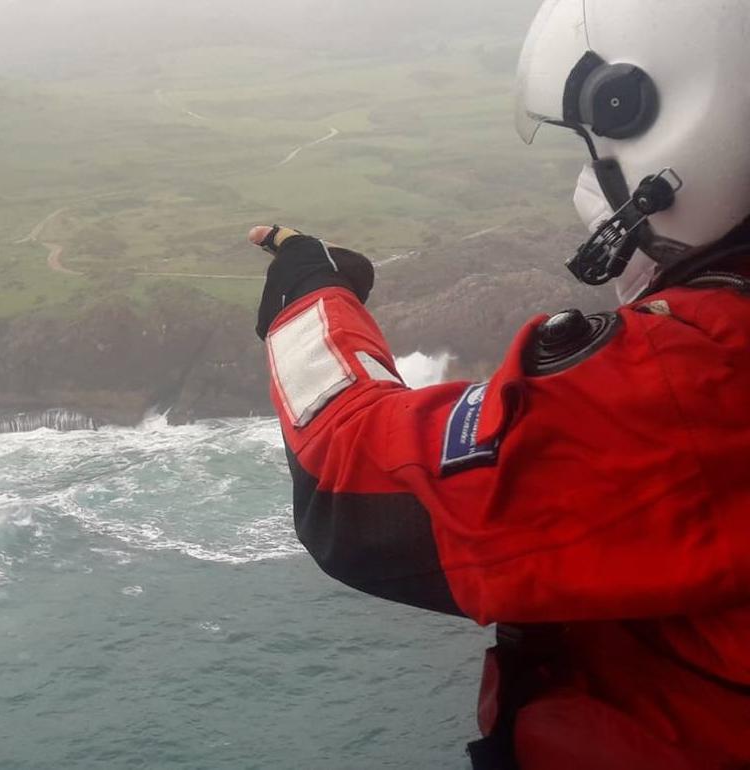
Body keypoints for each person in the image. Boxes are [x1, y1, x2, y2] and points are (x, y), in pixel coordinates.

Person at [248, 0, 750, 767]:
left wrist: (308, 294)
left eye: (597, 147)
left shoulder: (701, 380)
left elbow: (349, 479)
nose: (593, 181)